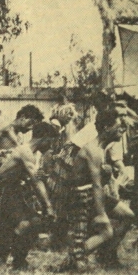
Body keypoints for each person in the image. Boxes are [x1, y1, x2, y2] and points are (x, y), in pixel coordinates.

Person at [55, 107, 132, 272]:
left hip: (92, 194)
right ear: (106, 128)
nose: (122, 130)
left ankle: (106, 255)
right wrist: (101, 214)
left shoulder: (102, 148)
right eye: (119, 127)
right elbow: (96, 185)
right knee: (106, 232)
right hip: (80, 197)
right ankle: (73, 260)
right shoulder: (93, 150)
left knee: (128, 216)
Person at [0, 104, 44, 253]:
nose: (30, 128)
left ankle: (2, 245)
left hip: (9, 177)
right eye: (30, 122)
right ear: (23, 117)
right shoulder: (5, 126)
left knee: (5, 211)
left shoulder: (18, 135)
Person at [0, 122, 59, 269]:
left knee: (34, 221)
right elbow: (36, 181)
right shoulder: (26, 152)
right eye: (50, 141)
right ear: (44, 138)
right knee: (24, 224)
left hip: (15, 188)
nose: (50, 145)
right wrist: (48, 206)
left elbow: (35, 177)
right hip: (4, 189)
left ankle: (18, 260)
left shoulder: (30, 153)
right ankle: (3, 257)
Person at [37, 102, 82, 250]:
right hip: (48, 162)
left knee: (58, 201)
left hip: (51, 163)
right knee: (56, 199)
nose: (70, 119)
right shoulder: (55, 125)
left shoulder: (61, 127)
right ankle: (54, 238)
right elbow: (49, 148)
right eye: (68, 116)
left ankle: (56, 237)